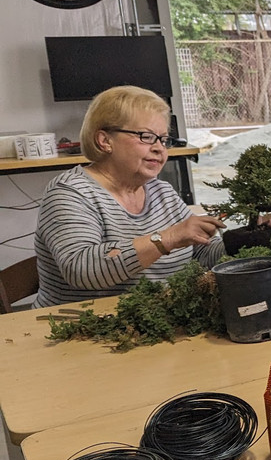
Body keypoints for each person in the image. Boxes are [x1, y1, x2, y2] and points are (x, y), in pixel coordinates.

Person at [34, 85, 258, 307]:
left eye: (163, 139)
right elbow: (81, 270)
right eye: (146, 137)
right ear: (104, 140)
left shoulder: (161, 191)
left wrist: (236, 244)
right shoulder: (69, 193)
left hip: (155, 320)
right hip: (79, 329)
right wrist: (168, 238)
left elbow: (199, 253)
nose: (160, 149)